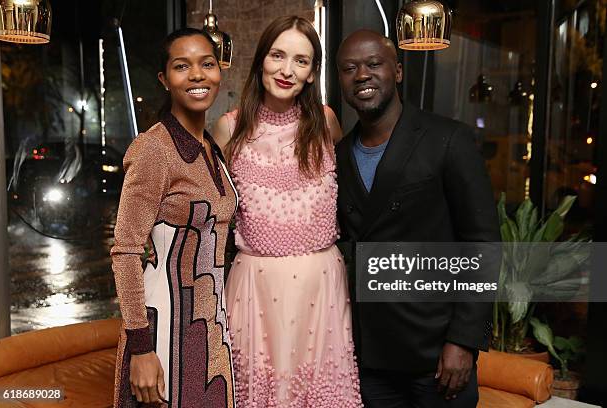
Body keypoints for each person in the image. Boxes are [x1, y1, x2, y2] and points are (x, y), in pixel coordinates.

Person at [335, 29, 500, 407]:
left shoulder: (447, 139)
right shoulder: (339, 156)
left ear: (397, 71)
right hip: (370, 358)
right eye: (349, 68)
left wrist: (463, 340)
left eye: (374, 64)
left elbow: (483, 245)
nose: (362, 75)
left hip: (437, 356)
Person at [213, 15, 362, 408]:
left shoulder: (326, 123)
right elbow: (208, 216)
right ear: (261, 59)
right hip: (254, 287)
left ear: (313, 73)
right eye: (278, 55)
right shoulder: (228, 129)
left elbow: (353, 201)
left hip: (321, 285)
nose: (286, 70)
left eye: (300, 60)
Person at [111, 28, 237, 407]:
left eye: (207, 64)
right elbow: (126, 252)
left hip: (210, 324)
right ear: (165, 79)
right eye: (183, 66)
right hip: (162, 325)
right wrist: (141, 348)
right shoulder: (154, 148)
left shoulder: (211, 147)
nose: (197, 75)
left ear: (219, 72)